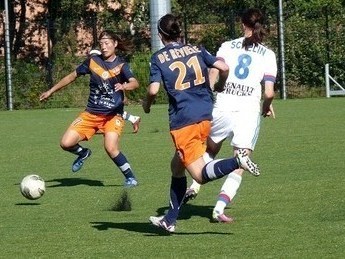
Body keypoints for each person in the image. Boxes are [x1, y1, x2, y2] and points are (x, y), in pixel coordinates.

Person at [142, 13, 260, 233]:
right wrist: (221, 85)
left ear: (160, 35)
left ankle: (238, 161)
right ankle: (170, 219)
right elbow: (223, 67)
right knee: (177, 165)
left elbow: (153, 90)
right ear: (180, 33)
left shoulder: (158, 58)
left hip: (183, 120)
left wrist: (146, 104)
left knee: (198, 174)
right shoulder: (196, 49)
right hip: (205, 114)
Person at [183, 8, 277, 223]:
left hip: (223, 106)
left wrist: (207, 93)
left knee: (210, 149)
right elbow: (269, 92)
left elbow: (214, 72)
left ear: (243, 24)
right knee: (241, 160)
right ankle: (219, 208)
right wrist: (266, 105)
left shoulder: (227, 45)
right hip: (248, 111)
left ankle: (195, 184)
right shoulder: (268, 54)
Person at [39, 30, 139, 187]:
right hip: (91, 113)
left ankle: (130, 177)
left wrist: (125, 85)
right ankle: (83, 153)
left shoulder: (121, 65)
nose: (104, 47)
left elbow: (135, 82)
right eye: (101, 44)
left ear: (115, 44)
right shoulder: (93, 61)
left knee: (110, 148)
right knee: (65, 143)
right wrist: (51, 91)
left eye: (107, 43)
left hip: (113, 115)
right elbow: (71, 76)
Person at [89, 49, 141, 133]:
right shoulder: (94, 69)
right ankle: (133, 118)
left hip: (114, 95)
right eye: (91, 56)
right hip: (104, 96)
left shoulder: (112, 67)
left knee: (112, 111)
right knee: (108, 109)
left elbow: (124, 82)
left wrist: (124, 93)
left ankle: (132, 119)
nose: (92, 58)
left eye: (94, 56)